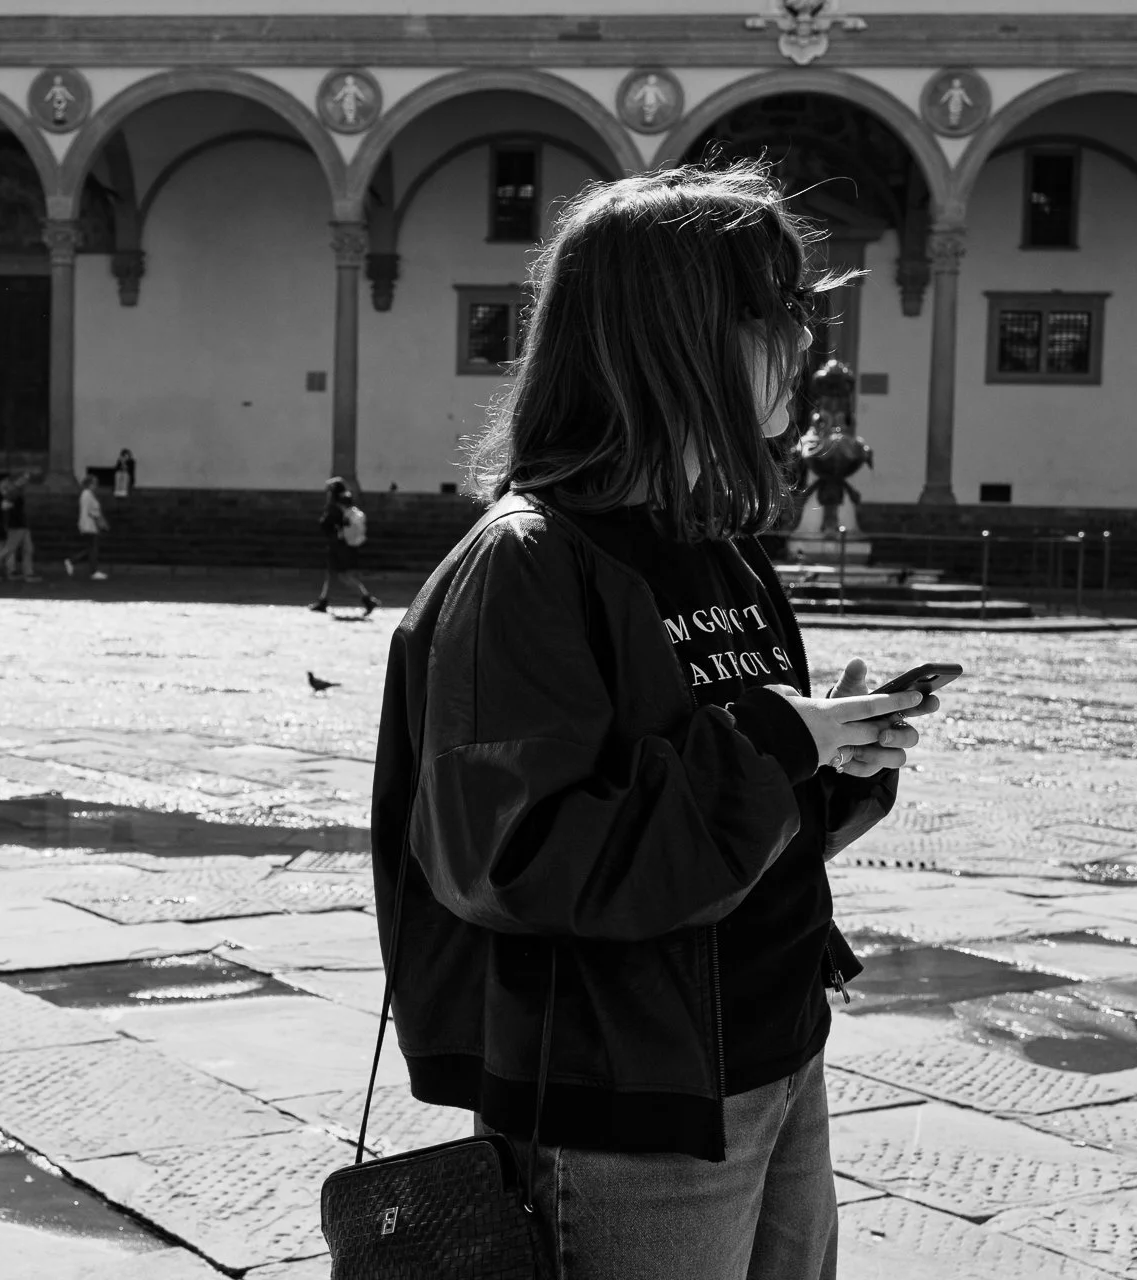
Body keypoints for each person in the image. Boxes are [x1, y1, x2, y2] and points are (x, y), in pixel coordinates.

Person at [370, 164, 942, 1280]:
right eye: (778, 311)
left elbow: (718, 824)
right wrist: (782, 741)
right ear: (676, 333)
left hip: (773, 1049)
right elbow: (521, 860)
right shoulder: (528, 565)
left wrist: (834, 763)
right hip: (624, 1105)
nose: (808, 344)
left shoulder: (715, 545)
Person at [309, 477, 379, 616]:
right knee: (331, 574)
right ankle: (323, 601)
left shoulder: (335, 505)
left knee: (344, 575)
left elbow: (327, 523)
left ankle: (367, 598)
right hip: (341, 544)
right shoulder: (346, 501)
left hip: (340, 545)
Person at [64, 467, 110, 581]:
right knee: (92, 548)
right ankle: (89, 569)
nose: (96, 485)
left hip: (86, 525)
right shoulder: (88, 495)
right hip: (89, 525)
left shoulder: (85, 494)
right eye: (95, 483)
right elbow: (95, 512)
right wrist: (103, 524)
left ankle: (74, 562)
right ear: (91, 484)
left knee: (90, 548)